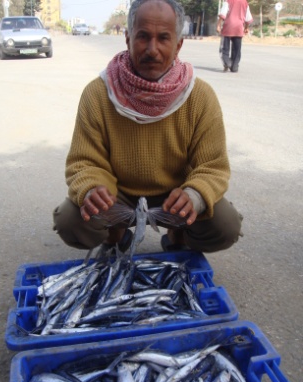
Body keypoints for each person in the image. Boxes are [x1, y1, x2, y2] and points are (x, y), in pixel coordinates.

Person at [53, 0, 243, 254]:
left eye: (163, 38)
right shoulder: (97, 93)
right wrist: (91, 188)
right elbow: (84, 161)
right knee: (71, 221)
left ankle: (178, 234)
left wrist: (194, 195)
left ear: (178, 45)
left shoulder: (200, 96)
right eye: (143, 37)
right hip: (117, 197)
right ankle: (115, 235)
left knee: (225, 225)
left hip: (175, 200)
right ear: (128, 38)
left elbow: (213, 167)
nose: (152, 49)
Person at [217, 0, 253, 73]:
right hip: (239, 27)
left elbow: (223, 13)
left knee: (224, 48)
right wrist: (246, 27)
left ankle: (227, 62)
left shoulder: (228, 1)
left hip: (228, 26)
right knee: (237, 49)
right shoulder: (244, 2)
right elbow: (248, 18)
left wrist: (218, 25)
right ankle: (234, 66)